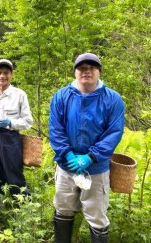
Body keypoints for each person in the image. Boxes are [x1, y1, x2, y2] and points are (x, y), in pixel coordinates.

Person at [49, 53, 125, 243]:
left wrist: (91, 156)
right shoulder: (61, 96)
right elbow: (56, 129)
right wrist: (67, 154)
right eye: (82, 68)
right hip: (67, 167)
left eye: (92, 67)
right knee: (63, 208)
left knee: (96, 215)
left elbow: (114, 132)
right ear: (75, 72)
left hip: (96, 169)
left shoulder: (113, 99)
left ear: (99, 72)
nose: (87, 72)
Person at [0, 59, 34, 197]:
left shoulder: (19, 95)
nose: (2, 76)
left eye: (6, 73)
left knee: (13, 170)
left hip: (11, 138)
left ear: (11, 75)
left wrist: (10, 123)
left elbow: (28, 121)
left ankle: (21, 205)